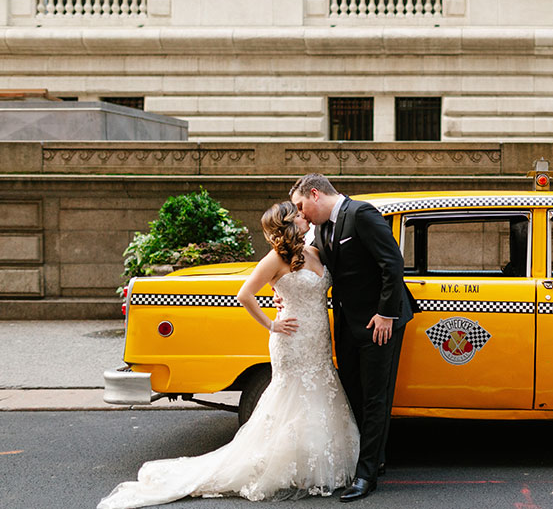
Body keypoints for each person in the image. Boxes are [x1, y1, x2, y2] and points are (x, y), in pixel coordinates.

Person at [98, 202, 359, 509]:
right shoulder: (275, 259)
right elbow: (244, 294)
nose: (305, 217)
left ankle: (312, 464)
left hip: (317, 339)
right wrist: (272, 323)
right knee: (292, 399)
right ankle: (289, 467)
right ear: (288, 224)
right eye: (299, 214)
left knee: (319, 396)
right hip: (291, 340)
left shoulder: (314, 252)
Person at [289, 173, 415, 502]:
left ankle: (367, 475)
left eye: (301, 206)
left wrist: (386, 313)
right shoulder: (322, 228)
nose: (301, 214)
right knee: (353, 393)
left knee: (376, 397)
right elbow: (305, 263)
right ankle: (375, 457)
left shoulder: (361, 214)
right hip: (347, 322)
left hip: (379, 320)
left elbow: (393, 264)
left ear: (314, 194)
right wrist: (282, 289)